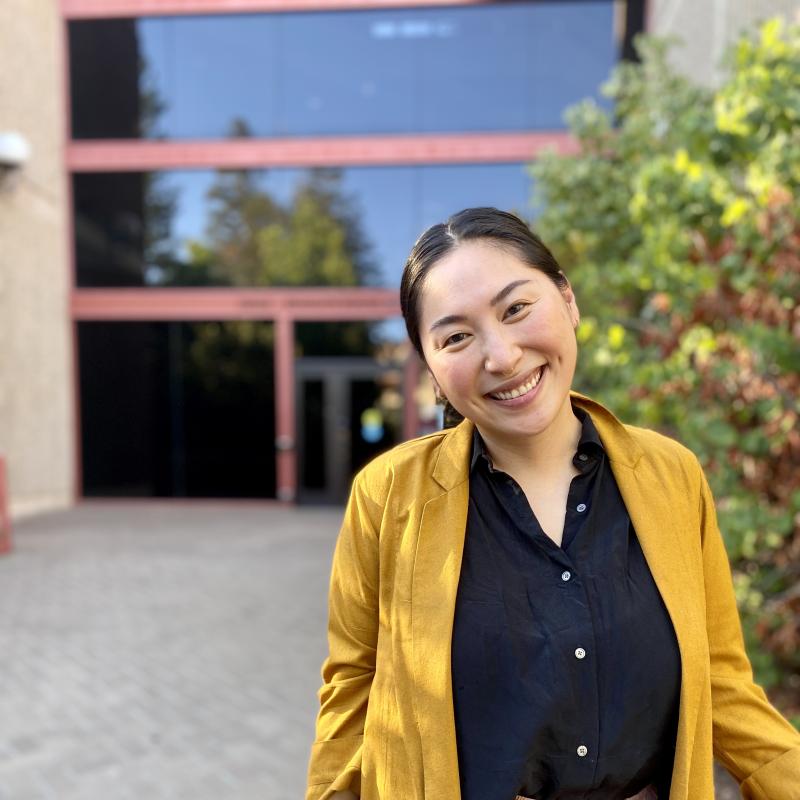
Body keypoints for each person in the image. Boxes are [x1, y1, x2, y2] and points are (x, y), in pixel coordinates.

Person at [305, 208, 800, 800]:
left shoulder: (672, 478)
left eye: (516, 309)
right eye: (456, 336)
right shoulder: (387, 497)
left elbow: (720, 681)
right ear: (433, 370)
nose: (503, 356)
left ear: (568, 301)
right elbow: (353, 688)